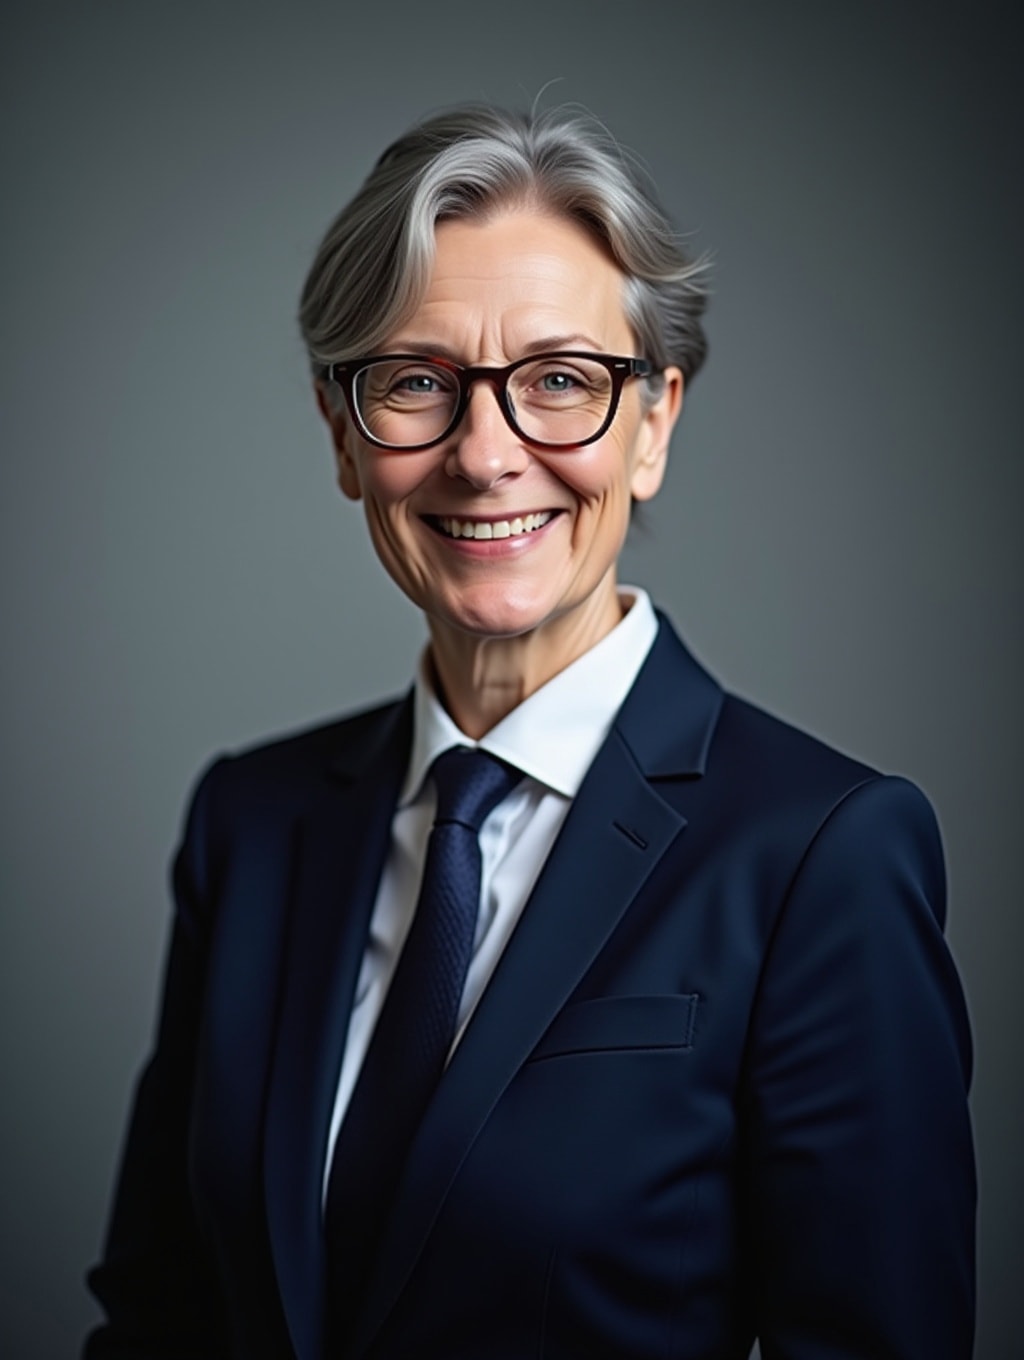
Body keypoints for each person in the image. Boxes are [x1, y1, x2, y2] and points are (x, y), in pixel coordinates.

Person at [85, 104, 975, 1359]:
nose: (485, 453)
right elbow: (161, 1317)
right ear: (344, 433)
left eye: (561, 379)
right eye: (416, 383)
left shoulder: (821, 855)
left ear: (654, 423)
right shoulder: (252, 822)